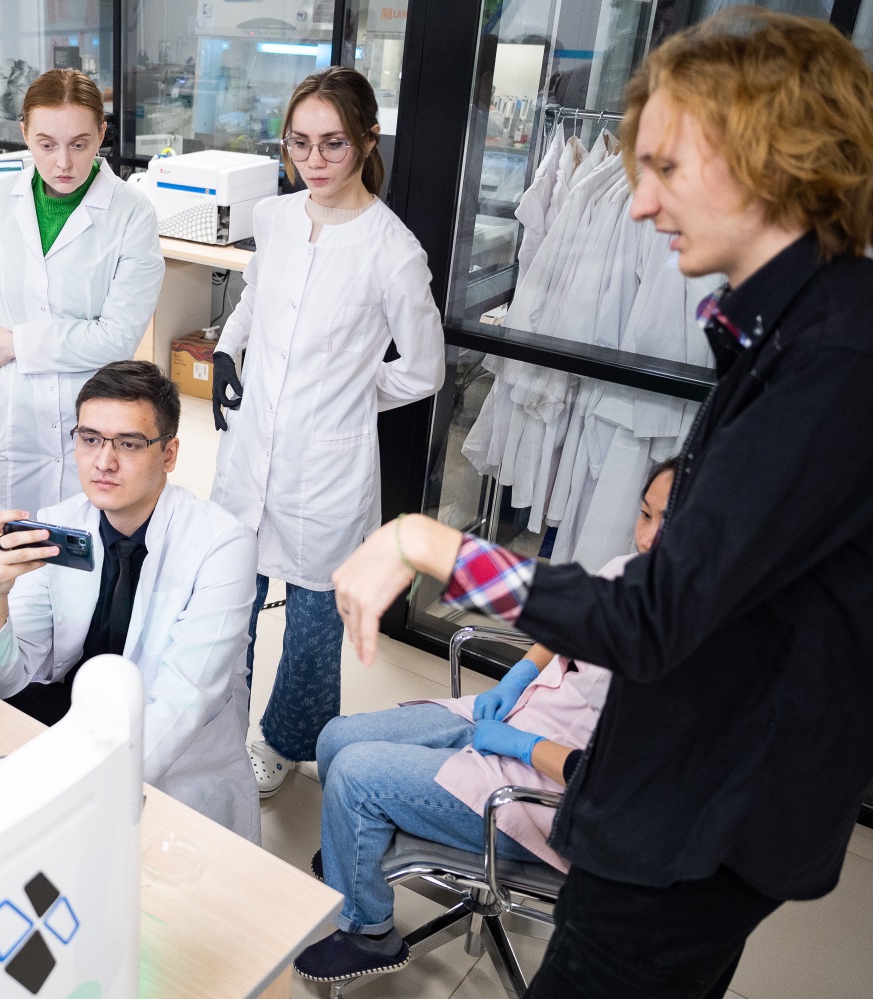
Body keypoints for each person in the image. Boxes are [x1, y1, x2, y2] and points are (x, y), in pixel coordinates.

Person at [329, 13, 873, 999]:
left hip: (696, 821)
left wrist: (428, 541)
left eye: (665, 167)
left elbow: (656, 612)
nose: (641, 202)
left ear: (771, 157)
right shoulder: (790, 333)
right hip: (681, 777)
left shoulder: (833, 361)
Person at [295, 459, 674, 982]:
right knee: (337, 738)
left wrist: (520, 745)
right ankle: (354, 855)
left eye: (670, 523)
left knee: (356, 778)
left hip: (546, 788)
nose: (649, 537)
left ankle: (369, 933)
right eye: (645, 515)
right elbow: (567, 626)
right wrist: (516, 678)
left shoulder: (695, 657)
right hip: (518, 713)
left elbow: (611, 780)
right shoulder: (631, 571)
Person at [208, 67, 445, 796]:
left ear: (368, 141)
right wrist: (226, 350)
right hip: (252, 446)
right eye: (299, 142)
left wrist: (352, 393)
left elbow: (425, 369)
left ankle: (287, 742)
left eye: (333, 144)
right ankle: (212, 726)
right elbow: (254, 297)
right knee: (225, 591)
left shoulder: (393, 250)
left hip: (328, 467)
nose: (313, 160)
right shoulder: (277, 217)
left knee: (313, 618)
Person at [0, 361, 260, 840]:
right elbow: (2, 678)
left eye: (128, 444)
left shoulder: (223, 546)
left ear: (169, 454)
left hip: (174, 758)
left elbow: (180, 703)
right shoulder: (60, 524)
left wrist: (83, 795)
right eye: (90, 439)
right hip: (80, 721)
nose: (103, 462)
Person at [0, 68, 165, 529]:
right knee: (10, 544)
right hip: (13, 409)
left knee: (84, 546)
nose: (63, 162)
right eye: (46, 144)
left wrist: (16, 343)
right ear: (24, 133)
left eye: (79, 144)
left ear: (102, 134)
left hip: (91, 406)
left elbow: (116, 338)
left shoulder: (131, 213)